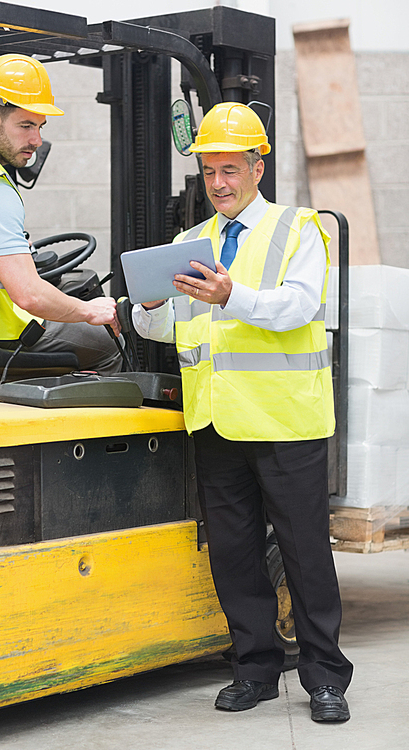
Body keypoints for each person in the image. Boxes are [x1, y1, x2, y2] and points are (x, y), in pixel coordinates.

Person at [133, 102, 353, 722]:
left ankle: (326, 678)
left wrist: (235, 295)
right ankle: (255, 668)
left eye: (231, 169)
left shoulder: (301, 229)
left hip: (285, 422)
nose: (220, 183)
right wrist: (147, 306)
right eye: (210, 172)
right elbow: (167, 327)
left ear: (259, 167)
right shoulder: (185, 244)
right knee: (232, 553)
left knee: (306, 552)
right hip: (214, 422)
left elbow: (301, 307)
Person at [0, 53, 121, 374]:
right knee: (108, 342)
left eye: (40, 126)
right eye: (26, 125)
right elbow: (29, 295)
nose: (37, 140)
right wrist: (88, 310)